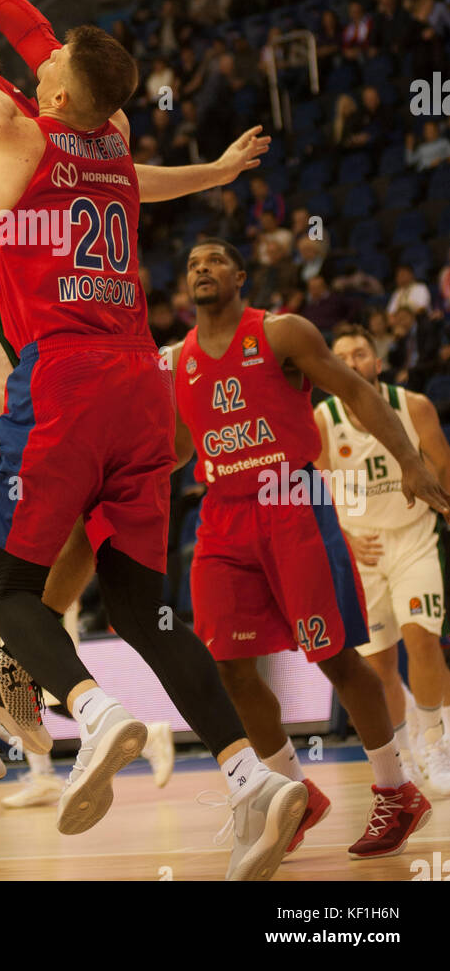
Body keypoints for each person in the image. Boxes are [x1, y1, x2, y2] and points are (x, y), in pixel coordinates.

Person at [0, 0, 305, 878]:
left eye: (52, 61)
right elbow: (39, 35)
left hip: (65, 381)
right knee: (142, 603)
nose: (40, 57)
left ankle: (94, 711)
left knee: (8, 588)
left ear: (58, 86)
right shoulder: (106, 136)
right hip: (143, 389)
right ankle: (253, 776)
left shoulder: (14, 131)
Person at [170, 240, 449, 857]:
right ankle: (294, 795)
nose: (201, 269)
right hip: (220, 516)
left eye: (214, 260)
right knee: (227, 666)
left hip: (290, 500)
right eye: (191, 264)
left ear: (240, 276)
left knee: (334, 655)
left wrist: (408, 459)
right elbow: (178, 448)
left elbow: (354, 390)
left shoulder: (280, 334)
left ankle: (396, 791)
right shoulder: (178, 362)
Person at [315, 325, 450, 793]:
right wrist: (346, 541)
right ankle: (404, 753)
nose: (351, 363)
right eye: (341, 356)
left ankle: (434, 740)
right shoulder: (323, 418)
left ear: (377, 361)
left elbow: (443, 464)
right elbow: (318, 491)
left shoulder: (414, 405)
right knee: (380, 668)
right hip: (363, 549)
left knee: (423, 640)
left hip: (413, 539)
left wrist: (435, 491)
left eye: (360, 353)